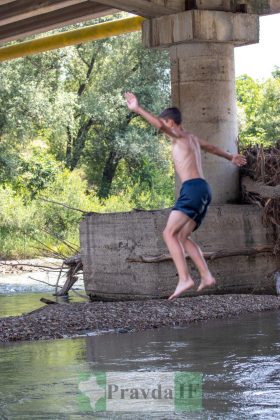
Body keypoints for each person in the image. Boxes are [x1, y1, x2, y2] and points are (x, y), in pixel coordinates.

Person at [124, 92, 246, 300]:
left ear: (171, 122)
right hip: (203, 190)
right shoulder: (192, 138)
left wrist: (138, 109)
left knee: (168, 234)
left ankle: (185, 278)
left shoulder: (178, 135)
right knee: (182, 236)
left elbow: (160, 126)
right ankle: (206, 276)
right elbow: (212, 147)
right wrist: (230, 157)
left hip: (192, 189)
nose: (163, 129)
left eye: (165, 123)